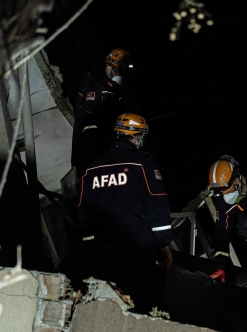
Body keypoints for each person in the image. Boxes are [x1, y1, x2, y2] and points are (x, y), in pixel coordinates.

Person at [74, 112, 173, 312]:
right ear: (137, 136)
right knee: (151, 304)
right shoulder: (142, 163)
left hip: (105, 252)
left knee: (117, 306)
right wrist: (162, 242)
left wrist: (89, 247)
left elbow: (83, 213)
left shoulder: (90, 171)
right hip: (140, 251)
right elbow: (156, 202)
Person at [71, 48, 133, 175]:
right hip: (95, 156)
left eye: (124, 71)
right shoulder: (98, 87)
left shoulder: (120, 92)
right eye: (119, 70)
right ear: (109, 68)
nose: (122, 75)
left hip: (108, 152)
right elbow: (89, 124)